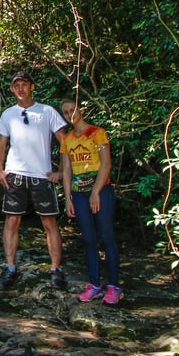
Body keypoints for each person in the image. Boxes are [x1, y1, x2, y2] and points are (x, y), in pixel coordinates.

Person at [0, 72, 69, 291]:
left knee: (49, 223)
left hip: (41, 175)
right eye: (16, 85)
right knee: (12, 221)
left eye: (24, 85)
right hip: (15, 174)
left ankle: (55, 269)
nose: (20, 89)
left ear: (32, 87)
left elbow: (64, 141)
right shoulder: (9, 114)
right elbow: (1, 143)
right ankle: (10, 267)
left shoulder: (47, 111)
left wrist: (61, 170)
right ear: (11, 89)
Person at [60, 98, 122, 305]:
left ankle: (114, 286)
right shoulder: (67, 139)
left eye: (73, 110)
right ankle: (94, 284)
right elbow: (67, 170)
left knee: (107, 236)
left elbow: (106, 164)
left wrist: (96, 191)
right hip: (78, 193)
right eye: (66, 112)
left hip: (100, 190)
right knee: (88, 238)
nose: (70, 115)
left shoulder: (97, 133)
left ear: (81, 110)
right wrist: (68, 197)